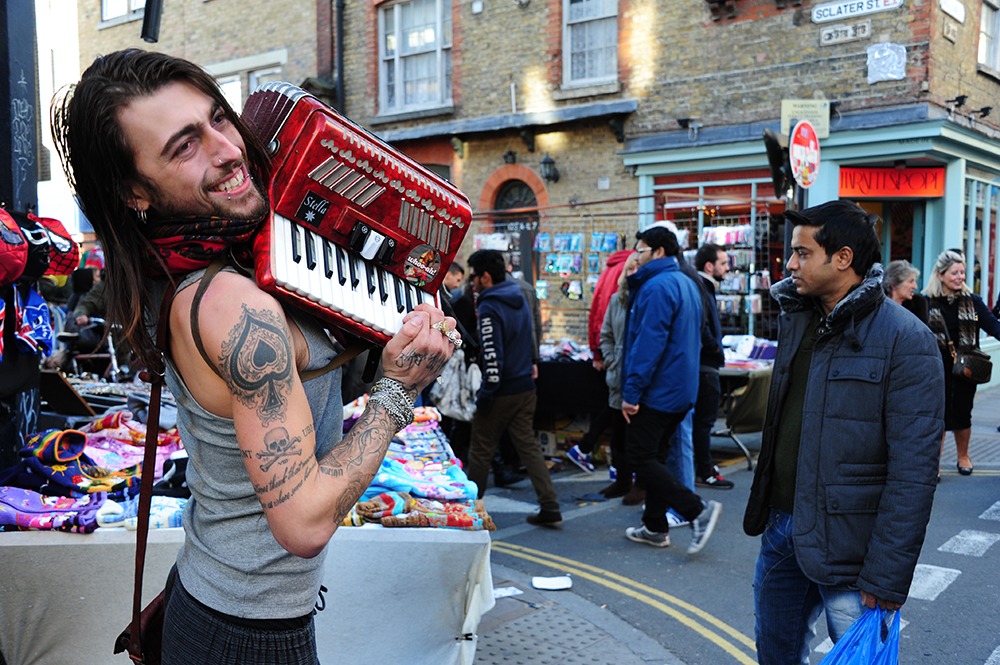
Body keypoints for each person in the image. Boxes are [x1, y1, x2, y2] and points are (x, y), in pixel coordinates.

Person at [52, 49, 457, 664]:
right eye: (184, 146)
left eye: (219, 117)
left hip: (221, 604)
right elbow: (303, 525)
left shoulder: (194, 261)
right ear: (135, 190)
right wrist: (399, 392)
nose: (228, 149)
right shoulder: (233, 306)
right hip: (245, 635)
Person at [743, 201, 944, 665]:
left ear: (843, 258)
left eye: (801, 253)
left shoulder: (906, 339)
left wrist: (888, 575)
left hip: (853, 551)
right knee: (774, 655)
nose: (790, 263)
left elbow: (914, 471)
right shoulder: (797, 319)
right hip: (781, 532)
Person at [621, 226, 722, 554]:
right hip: (681, 389)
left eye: (641, 249)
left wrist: (631, 392)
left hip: (658, 390)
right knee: (657, 455)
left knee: (640, 455)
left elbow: (648, 345)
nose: (637, 255)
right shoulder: (686, 282)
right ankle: (654, 526)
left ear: (658, 252)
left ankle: (697, 510)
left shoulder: (658, 286)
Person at [465, 249, 560, 526]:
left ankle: (470, 512)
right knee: (528, 446)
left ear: (485, 276)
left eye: (474, 276)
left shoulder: (489, 306)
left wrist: (485, 396)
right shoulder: (519, 297)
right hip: (525, 386)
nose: (472, 282)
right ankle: (550, 505)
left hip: (502, 389)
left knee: (481, 449)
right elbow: (528, 336)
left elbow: (492, 356)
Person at [924, 249, 1000, 476]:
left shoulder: (974, 302)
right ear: (940, 275)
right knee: (937, 416)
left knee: (963, 413)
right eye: (955, 273)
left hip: (966, 368)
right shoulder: (925, 302)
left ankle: (963, 456)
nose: (960, 277)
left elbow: (995, 328)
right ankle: (934, 463)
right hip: (935, 368)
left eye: (962, 272)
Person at [568, 249, 635, 475]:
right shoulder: (620, 278)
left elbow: (597, 311)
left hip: (614, 358)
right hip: (616, 360)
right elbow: (604, 317)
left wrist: (601, 352)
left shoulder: (609, 271)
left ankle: (590, 450)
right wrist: (605, 355)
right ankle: (617, 467)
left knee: (614, 409)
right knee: (616, 412)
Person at [598, 251, 641, 501]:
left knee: (638, 438)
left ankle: (641, 484)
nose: (633, 273)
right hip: (617, 379)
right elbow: (606, 335)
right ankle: (622, 481)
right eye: (630, 269)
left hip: (639, 379)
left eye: (637, 268)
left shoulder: (648, 298)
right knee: (618, 437)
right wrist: (612, 360)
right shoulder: (617, 300)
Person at [691, 242, 734, 489]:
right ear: (710, 266)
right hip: (705, 366)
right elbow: (702, 325)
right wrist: (715, 348)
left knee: (703, 422)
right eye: (724, 263)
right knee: (704, 422)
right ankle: (704, 471)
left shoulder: (704, 287)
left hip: (705, 365)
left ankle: (703, 467)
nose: (727, 268)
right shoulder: (701, 287)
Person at [884, 259, 929, 325]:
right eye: (911, 281)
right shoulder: (878, 305)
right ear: (894, 284)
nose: (915, 286)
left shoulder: (918, 304)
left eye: (915, 281)